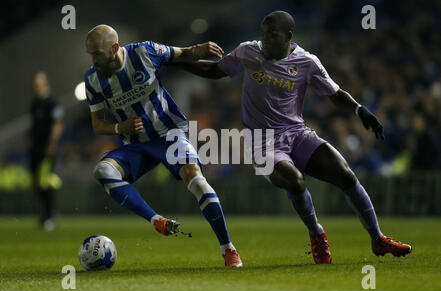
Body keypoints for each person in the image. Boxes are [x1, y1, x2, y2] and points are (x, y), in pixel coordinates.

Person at [175, 11, 412, 264]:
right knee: (294, 180)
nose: (265, 39)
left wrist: (359, 110)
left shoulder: (307, 62)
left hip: (297, 134)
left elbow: (334, 92)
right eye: (263, 34)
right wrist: (177, 59)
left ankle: (377, 239)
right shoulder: (248, 52)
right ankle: (317, 234)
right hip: (261, 142)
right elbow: (215, 70)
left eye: (272, 35)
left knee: (345, 174)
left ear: (288, 36)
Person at [84, 25, 242, 267]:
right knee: (102, 171)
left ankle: (228, 248)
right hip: (135, 144)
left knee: (197, 180)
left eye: (97, 54)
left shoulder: (144, 53)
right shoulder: (93, 80)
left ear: (115, 48)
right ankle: (156, 220)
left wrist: (198, 49)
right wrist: (119, 128)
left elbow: (179, 53)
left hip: (169, 133)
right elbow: (97, 124)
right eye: (90, 54)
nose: (93, 60)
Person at [29, 72, 64, 231]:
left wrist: (51, 144)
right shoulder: (35, 103)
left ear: (45, 84)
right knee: (36, 181)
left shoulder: (52, 102)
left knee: (46, 180)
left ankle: (50, 214)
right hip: (35, 148)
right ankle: (45, 213)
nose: (35, 88)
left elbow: (57, 124)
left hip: (47, 148)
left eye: (38, 84)